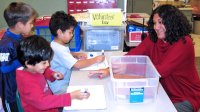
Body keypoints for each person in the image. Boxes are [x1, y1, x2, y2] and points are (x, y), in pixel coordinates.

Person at [90, 5, 200, 112]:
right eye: (155, 23)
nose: (156, 27)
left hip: (184, 98)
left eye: (161, 22)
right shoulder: (154, 38)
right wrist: (110, 69)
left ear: (172, 23)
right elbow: (133, 54)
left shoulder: (184, 43)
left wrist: (126, 68)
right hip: (162, 92)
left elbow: (160, 71)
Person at [16, 35, 90, 112]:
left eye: (48, 61)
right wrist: (71, 96)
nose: (48, 65)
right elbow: (42, 103)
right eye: (44, 63)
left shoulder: (33, 69)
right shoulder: (27, 82)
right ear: (29, 64)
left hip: (51, 107)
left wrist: (52, 74)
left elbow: (44, 72)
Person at [48, 11, 105, 94]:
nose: (72, 35)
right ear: (60, 32)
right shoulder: (59, 49)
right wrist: (95, 59)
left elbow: (65, 54)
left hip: (64, 82)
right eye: (70, 32)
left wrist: (75, 54)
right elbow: (77, 65)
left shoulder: (55, 44)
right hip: (61, 88)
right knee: (87, 90)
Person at [0, 2, 37, 112]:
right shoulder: (6, 44)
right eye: (31, 23)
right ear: (20, 24)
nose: (32, 25)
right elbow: (4, 68)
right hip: (9, 91)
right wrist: (23, 59)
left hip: (19, 84)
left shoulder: (19, 36)